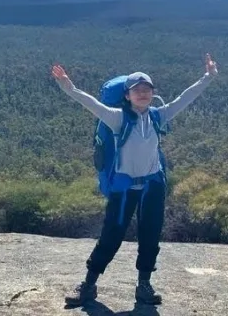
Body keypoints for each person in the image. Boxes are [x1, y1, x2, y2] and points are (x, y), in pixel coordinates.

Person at [51, 53, 218, 306]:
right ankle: (88, 285)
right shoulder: (117, 118)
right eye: (136, 90)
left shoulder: (158, 116)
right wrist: (68, 86)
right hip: (125, 188)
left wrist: (209, 76)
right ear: (127, 96)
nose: (143, 93)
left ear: (152, 93)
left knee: (150, 236)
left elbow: (187, 97)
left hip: (152, 186)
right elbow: (90, 103)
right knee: (111, 236)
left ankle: (144, 286)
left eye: (147, 89)